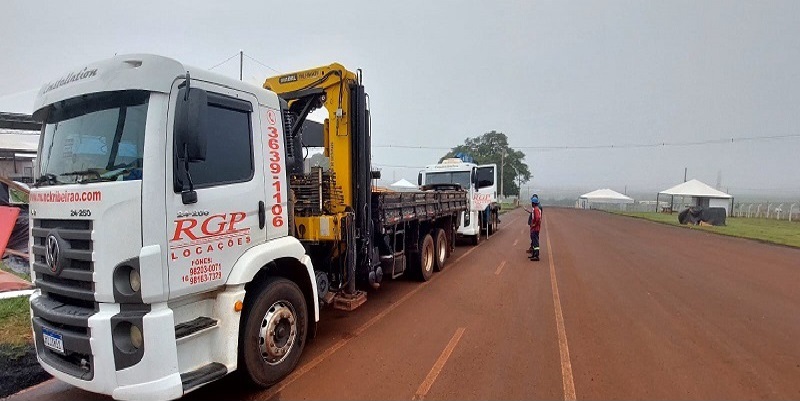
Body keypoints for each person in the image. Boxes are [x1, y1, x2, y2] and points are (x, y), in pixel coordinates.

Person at [527, 195, 542, 261]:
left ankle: (536, 255)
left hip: (535, 228)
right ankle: (534, 254)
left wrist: (534, 224)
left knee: (535, 242)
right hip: (534, 228)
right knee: (534, 241)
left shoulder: (536, 209)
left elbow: (538, 218)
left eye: (532, 202)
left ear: (533, 203)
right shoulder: (536, 209)